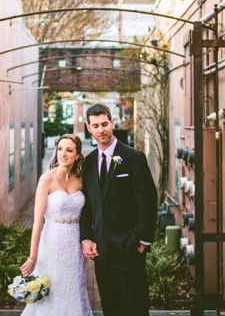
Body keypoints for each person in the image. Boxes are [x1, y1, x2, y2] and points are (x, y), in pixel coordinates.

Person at [80, 103, 157, 316]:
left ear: (112, 123)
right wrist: (86, 237)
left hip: (130, 249)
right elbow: (86, 206)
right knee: (111, 309)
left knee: (135, 309)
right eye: (95, 126)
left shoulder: (133, 158)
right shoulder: (87, 163)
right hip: (102, 252)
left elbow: (148, 202)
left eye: (104, 124)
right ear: (89, 128)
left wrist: (141, 242)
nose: (101, 130)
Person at [20, 134, 92, 316]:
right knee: (51, 292)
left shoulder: (81, 180)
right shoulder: (47, 179)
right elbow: (37, 222)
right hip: (51, 242)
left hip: (74, 246)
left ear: (77, 155)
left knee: (73, 289)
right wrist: (32, 257)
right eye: (60, 149)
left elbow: (88, 214)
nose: (63, 154)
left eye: (69, 150)